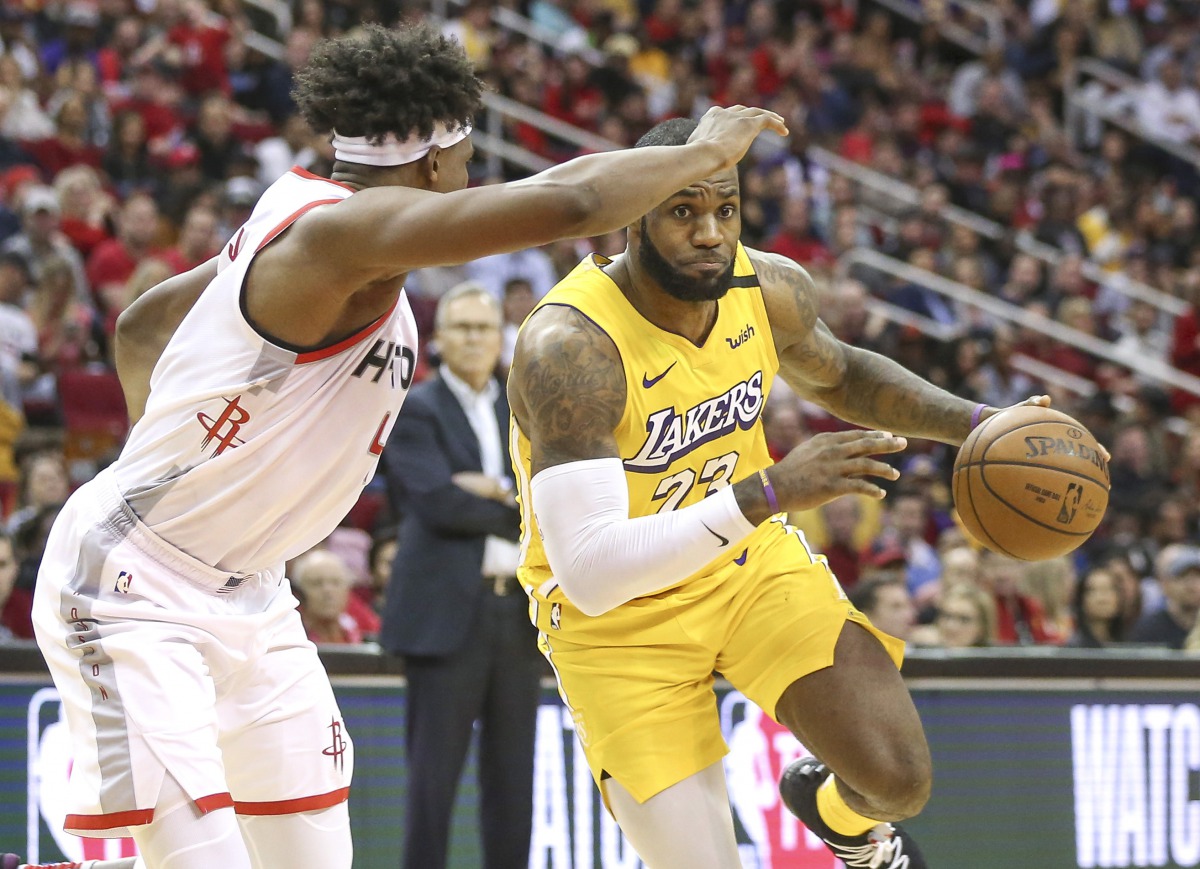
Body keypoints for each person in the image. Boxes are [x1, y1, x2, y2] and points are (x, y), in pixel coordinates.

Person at [20, 24, 787, 869]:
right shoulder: (342, 235)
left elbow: (143, 324)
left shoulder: (302, 219)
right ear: (436, 163)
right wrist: (706, 150)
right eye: (465, 163)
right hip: (137, 587)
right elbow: (573, 203)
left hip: (252, 592)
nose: (467, 182)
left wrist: (196, 466)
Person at [507, 116, 1050, 869]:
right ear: (634, 215)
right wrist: (770, 490)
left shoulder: (766, 288)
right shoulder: (570, 346)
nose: (709, 233)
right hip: (618, 624)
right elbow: (593, 573)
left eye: (724, 210)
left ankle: (837, 818)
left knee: (898, 778)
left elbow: (846, 374)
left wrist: (984, 423)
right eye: (681, 211)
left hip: (746, 567)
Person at [378, 281, 542, 869]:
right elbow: (436, 504)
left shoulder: (522, 409)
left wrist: (489, 491)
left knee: (512, 782)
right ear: (439, 340)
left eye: (484, 328)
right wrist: (512, 501)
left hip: (517, 618)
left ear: (500, 338)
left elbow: (546, 504)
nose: (475, 339)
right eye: (463, 328)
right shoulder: (413, 407)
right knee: (432, 784)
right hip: (444, 615)